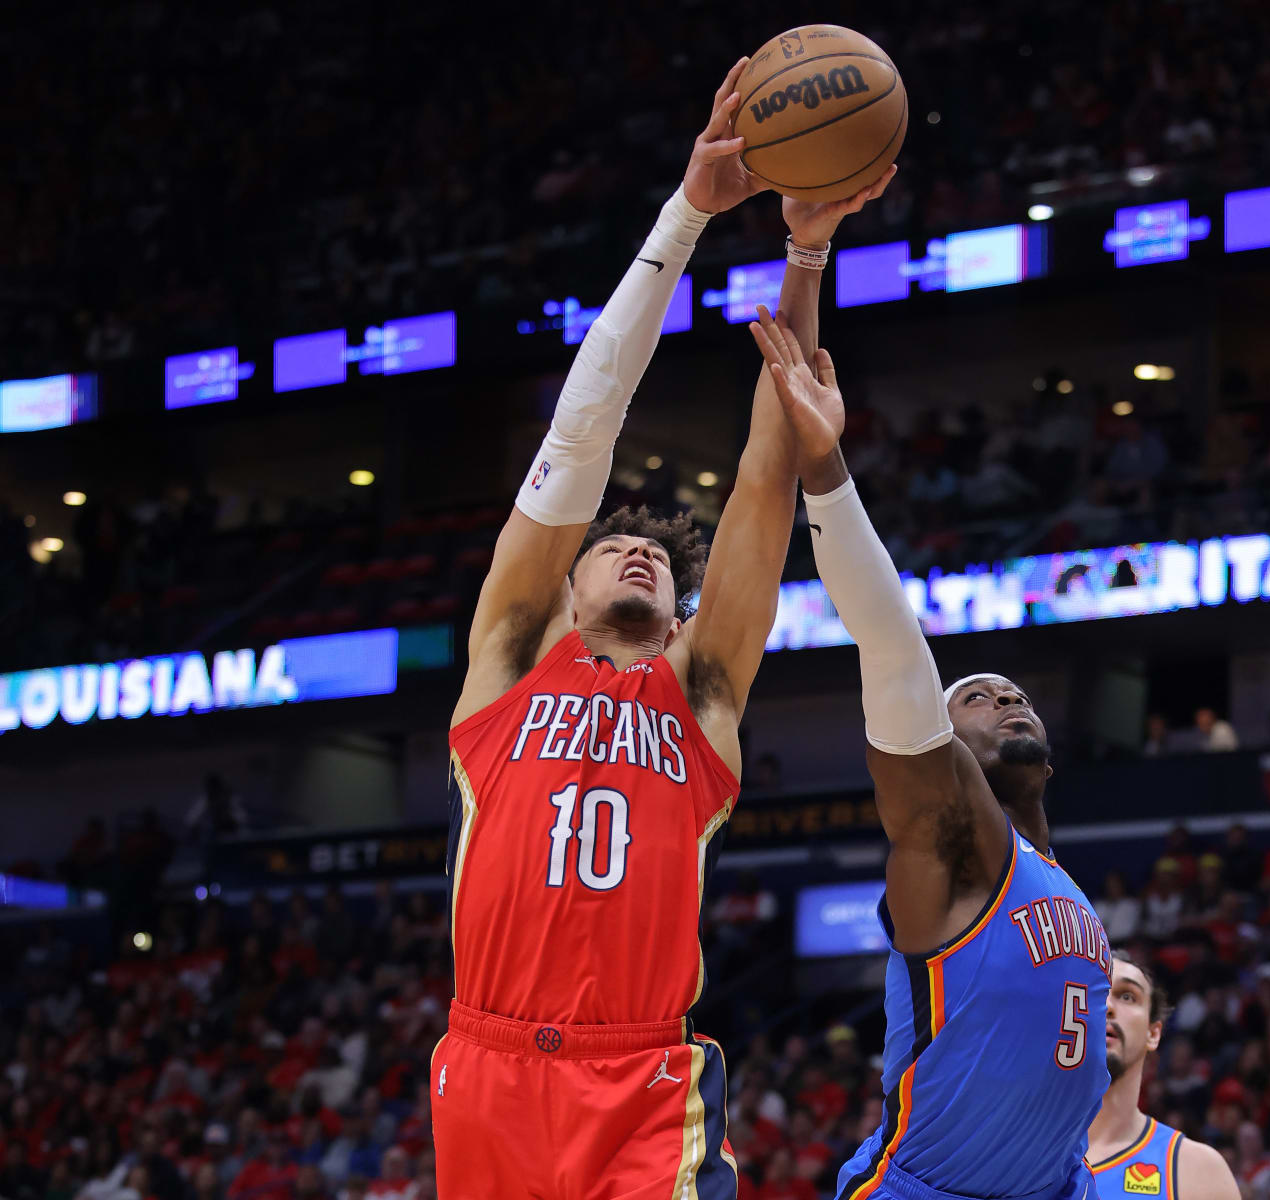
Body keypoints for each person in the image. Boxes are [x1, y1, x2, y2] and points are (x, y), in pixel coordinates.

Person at [431, 59, 893, 1200]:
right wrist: (689, 209)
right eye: (609, 548)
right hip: (484, 1065)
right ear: (564, 589)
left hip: (640, 1084)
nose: (637, 550)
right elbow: (583, 429)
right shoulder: (506, 662)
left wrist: (803, 254)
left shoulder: (705, 695)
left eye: (659, 561)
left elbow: (764, 482)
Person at [750, 310, 1112, 1200]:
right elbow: (893, 646)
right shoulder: (952, 843)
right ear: (946, 747)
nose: (1007, 697)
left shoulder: (1056, 878)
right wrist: (829, 471)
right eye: (975, 698)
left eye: (1015, 692)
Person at [1085, 954, 1237, 1200]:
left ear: (1153, 1033)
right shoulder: (1011, 1151)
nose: (1108, 1006)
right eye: (1095, 991)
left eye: (1127, 996)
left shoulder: (1198, 1172)